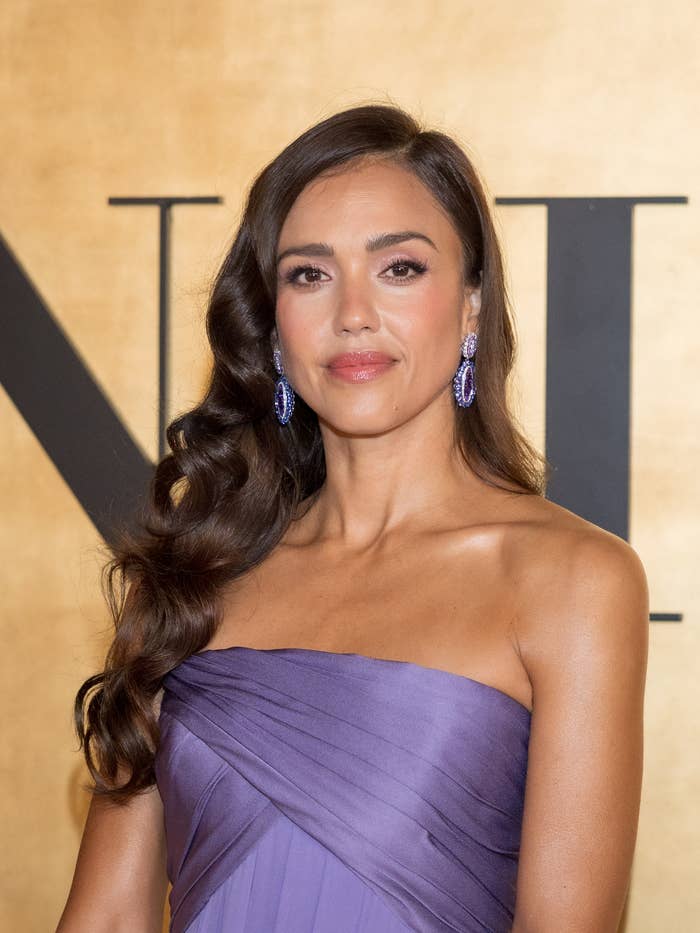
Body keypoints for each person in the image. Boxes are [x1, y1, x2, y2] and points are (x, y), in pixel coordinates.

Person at [56, 103, 649, 933]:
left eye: (399, 267)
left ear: (472, 305)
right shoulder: (194, 577)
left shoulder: (572, 581)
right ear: (272, 323)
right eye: (309, 274)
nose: (353, 313)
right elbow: (108, 918)